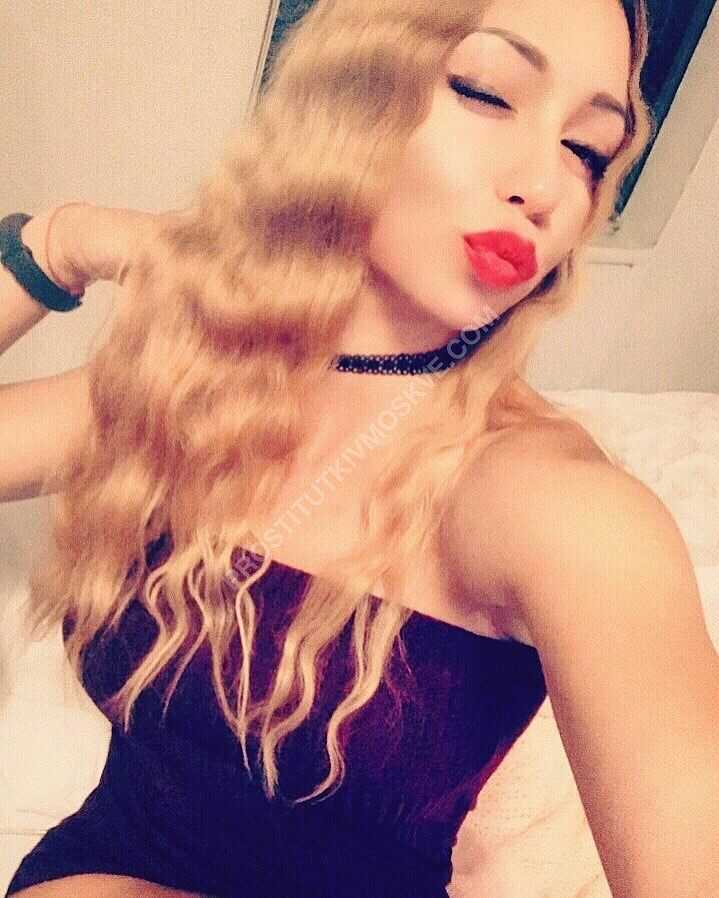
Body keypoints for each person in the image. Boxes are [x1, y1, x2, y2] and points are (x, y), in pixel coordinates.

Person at [1, 0, 717, 896]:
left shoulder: (564, 511)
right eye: (485, 93)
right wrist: (57, 245)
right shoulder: (185, 386)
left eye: (585, 149)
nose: (544, 185)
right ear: (341, 100)